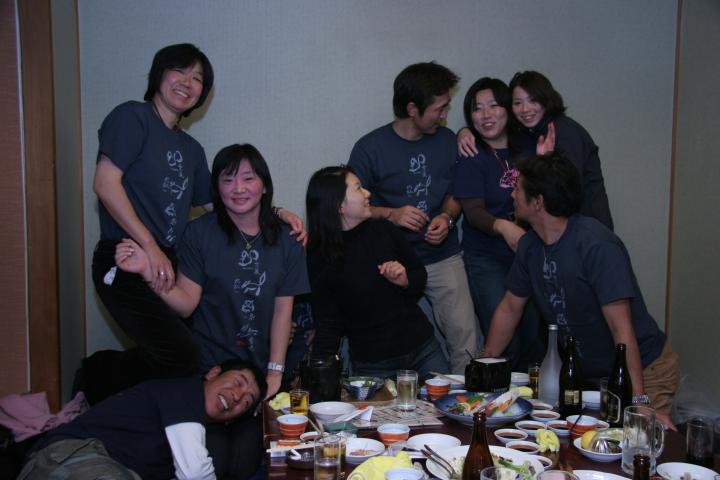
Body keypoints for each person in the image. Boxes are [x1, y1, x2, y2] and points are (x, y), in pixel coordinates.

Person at [85, 44, 305, 404]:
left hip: (165, 260)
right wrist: (149, 248)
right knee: (182, 356)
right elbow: (104, 184)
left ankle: (142, 408)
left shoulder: (191, 149)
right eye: (180, 71)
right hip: (126, 255)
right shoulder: (133, 117)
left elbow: (221, 203)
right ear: (159, 74)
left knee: (188, 358)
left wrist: (275, 212)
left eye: (198, 78)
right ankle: (95, 377)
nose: (187, 83)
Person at [114, 144, 310, 478]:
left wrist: (275, 373)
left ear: (264, 184)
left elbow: (283, 311)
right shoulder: (199, 233)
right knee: (213, 459)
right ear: (216, 188)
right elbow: (186, 302)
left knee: (248, 461)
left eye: (248, 178)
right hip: (210, 372)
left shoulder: (287, 239)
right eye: (227, 179)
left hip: (256, 379)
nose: (238, 188)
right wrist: (149, 272)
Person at [482, 153, 678, 429]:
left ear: (538, 201)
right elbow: (509, 309)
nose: (512, 194)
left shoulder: (596, 245)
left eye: (518, 189)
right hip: (591, 378)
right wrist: (486, 366)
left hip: (643, 372)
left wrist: (638, 401)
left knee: (637, 443)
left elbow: (620, 327)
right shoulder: (530, 246)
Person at [348, 62, 478, 373]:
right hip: (389, 262)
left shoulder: (447, 141)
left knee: (465, 338)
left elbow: (457, 190)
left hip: (441, 255)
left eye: (446, 107)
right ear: (411, 109)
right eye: (439, 108)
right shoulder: (370, 148)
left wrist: (447, 217)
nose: (444, 115)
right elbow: (351, 208)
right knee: (388, 341)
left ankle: (468, 397)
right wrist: (392, 214)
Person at [306, 166, 450, 381]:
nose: (367, 193)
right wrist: (318, 376)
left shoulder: (382, 228)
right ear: (339, 206)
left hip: (423, 349)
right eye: (358, 188)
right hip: (374, 366)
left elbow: (419, 275)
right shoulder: (320, 256)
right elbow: (328, 322)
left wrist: (405, 280)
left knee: (449, 400)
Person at [19, 359, 266, 480]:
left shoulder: (191, 433)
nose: (237, 396)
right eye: (238, 382)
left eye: (245, 402)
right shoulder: (184, 392)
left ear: (230, 421)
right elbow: (196, 474)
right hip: (71, 457)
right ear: (213, 372)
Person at [452, 77, 546, 370]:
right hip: (486, 258)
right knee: (506, 339)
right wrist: (504, 227)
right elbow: (473, 212)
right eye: (477, 108)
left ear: (508, 109)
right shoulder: (471, 154)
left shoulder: (529, 147)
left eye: (494, 105)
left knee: (535, 337)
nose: (486, 114)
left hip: (529, 254)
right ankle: (497, 397)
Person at [458, 70, 613, 230]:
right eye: (517, 103)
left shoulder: (563, 133)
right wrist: (463, 132)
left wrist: (544, 162)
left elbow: (564, 193)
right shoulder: (533, 134)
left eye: (533, 100)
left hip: (586, 230)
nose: (525, 109)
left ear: (546, 99)